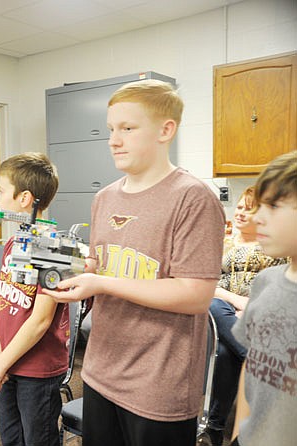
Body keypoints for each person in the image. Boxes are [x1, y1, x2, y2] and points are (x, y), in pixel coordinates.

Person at [43, 79, 225, 446]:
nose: (113, 140)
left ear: (165, 130)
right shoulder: (105, 197)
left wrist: (102, 283)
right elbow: (100, 263)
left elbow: (195, 294)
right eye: (112, 129)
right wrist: (75, 271)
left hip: (158, 384)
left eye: (127, 128)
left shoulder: (192, 198)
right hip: (100, 371)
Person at [0, 152, 68, 446]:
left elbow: (41, 320)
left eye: (1, 191)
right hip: (8, 362)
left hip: (37, 370)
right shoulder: (15, 241)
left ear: (24, 198)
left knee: (37, 439)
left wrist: (0, 363)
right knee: (11, 438)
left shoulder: (53, 246)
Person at [202, 187, 286, 446]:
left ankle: (214, 428)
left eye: (247, 208)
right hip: (219, 312)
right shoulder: (221, 241)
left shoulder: (274, 247)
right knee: (215, 303)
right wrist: (237, 302)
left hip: (256, 317)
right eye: (238, 207)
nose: (239, 213)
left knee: (225, 353)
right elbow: (205, 283)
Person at [231, 151, 297, 446]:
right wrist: (238, 435)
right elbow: (252, 363)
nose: (257, 217)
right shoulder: (266, 281)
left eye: (272, 205)